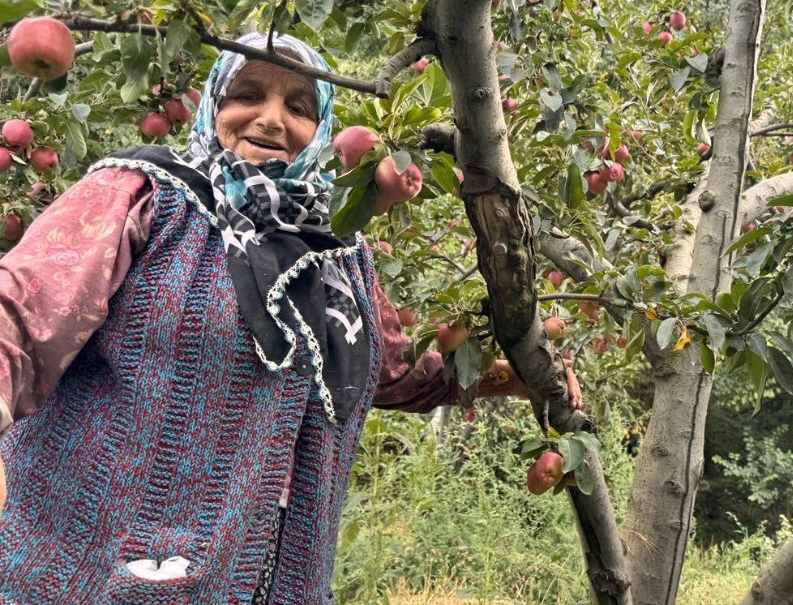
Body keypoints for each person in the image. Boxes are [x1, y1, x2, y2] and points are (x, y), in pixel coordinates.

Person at [0, 33, 571, 604]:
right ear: (214, 104)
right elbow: (27, 307)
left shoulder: (338, 250)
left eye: (298, 107)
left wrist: (510, 376)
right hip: (85, 568)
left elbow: (394, 374)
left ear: (320, 129)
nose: (272, 120)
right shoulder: (144, 192)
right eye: (248, 95)